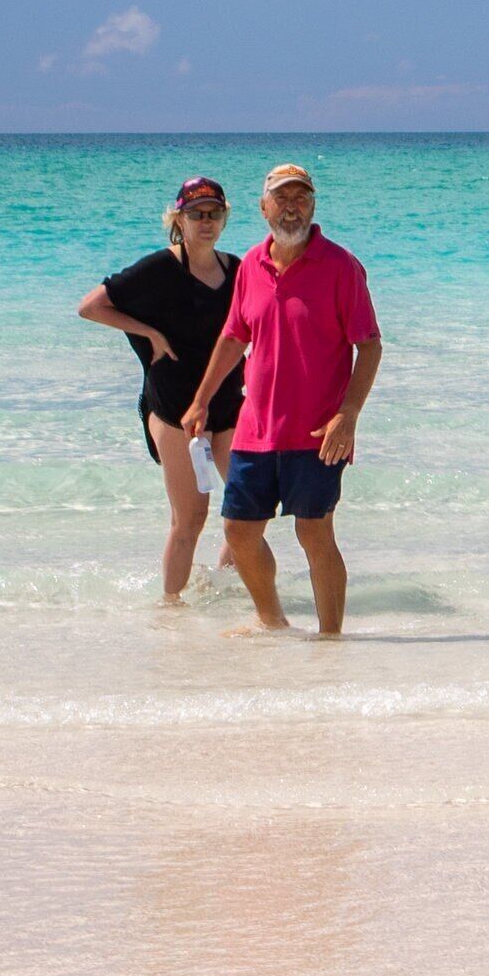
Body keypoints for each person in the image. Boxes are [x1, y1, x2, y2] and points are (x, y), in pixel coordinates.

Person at [183, 164, 382, 636]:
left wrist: (348, 415)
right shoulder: (251, 263)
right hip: (255, 429)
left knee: (314, 532)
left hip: (318, 432)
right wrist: (202, 400)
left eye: (301, 198)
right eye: (282, 198)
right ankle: (271, 621)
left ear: (313, 205)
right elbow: (234, 335)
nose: (292, 206)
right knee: (239, 532)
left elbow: (369, 344)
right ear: (263, 206)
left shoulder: (340, 266)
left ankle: (331, 637)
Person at [77, 177, 244, 603]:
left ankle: (224, 585)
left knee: (249, 508)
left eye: (214, 213)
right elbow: (91, 306)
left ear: (225, 218)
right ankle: (171, 611)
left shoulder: (237, 269)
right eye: (196, 214)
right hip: (173, 408)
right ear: (178, 219)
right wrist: (148, 332)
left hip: (228, 404)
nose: (206, 222)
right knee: (191, 517)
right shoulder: (160, 268)